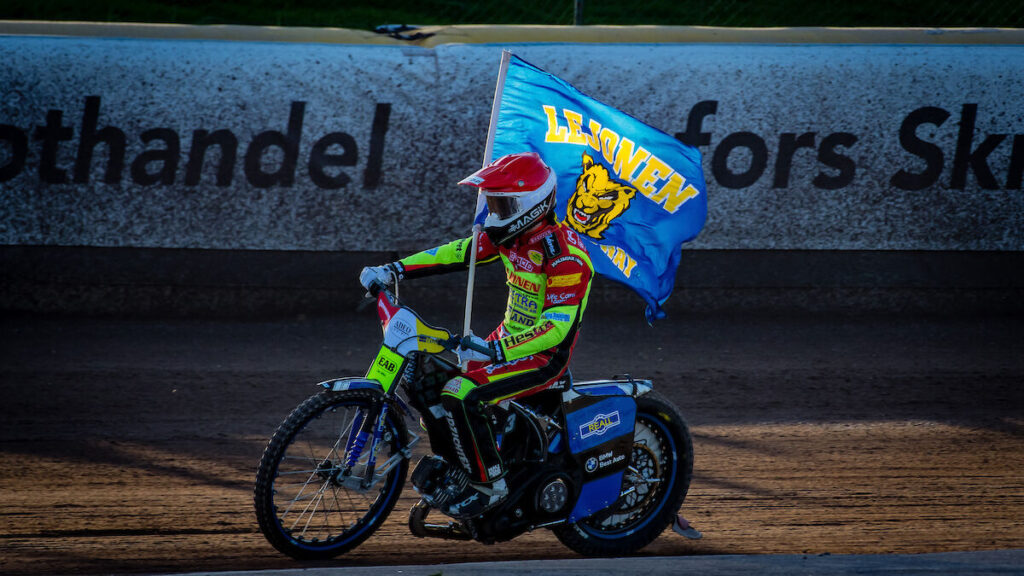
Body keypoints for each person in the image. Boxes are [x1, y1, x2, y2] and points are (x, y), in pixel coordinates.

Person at [359, 151, 594, 518]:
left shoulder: (564, 255)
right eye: (493, 202)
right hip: (502, 345)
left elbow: (555, 329)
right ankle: (465, 468)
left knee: (460, 393)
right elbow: (457, 253)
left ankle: (491, 485)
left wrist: (496, 350)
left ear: (530, 206)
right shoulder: (510, 237)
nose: (494, 212)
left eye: (502, 203)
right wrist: (394, 270)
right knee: (429, 388)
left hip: (542, 358)